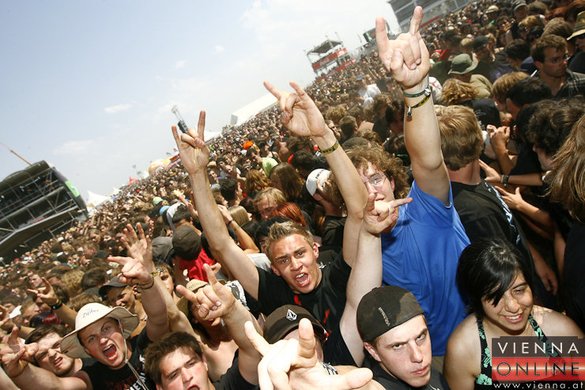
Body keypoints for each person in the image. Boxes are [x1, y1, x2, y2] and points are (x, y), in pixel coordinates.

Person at [2, 225, 175, 390]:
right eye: (91, 339)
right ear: (86, 350)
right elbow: (57, 386)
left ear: (120, 326)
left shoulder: (145, 344)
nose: (102, 340)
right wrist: (21, 372)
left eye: (106, 328)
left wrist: (147, 280)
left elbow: (159, 315)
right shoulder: (92, 377)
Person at [444, 238, 583, 389]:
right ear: (477, 298)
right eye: (494, 296)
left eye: (519, 290)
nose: (513, 306)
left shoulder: (562, 331)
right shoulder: (464, 348)